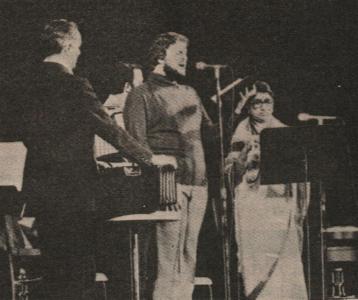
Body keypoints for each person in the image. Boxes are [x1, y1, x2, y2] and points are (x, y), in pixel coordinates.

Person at [21, 19, 175, 300]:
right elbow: (110, 129)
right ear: (67, 45)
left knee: (54, 272)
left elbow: (27, 134)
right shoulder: (73, 84)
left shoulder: (28, 83)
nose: (79, 52)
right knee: (79, 274)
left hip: (41, 192)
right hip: (74, 192)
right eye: (78, 46)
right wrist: (149, 159)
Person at [123, 32, 214, 300]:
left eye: (187, 53)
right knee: (167, 262)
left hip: (198, 185)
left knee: (188, 258)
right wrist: (164, 187)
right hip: (169, 187)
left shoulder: (190, 92)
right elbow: (138, 146)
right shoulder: (142, 94)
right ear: (161, 56)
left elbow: (210, 133)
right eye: (180, 53)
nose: (186, 59)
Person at [225, 81, 309, 299]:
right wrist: (246, 158)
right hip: (252, 202)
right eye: (256, 103)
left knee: (283, 259)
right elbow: (230, 171)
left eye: (267, 102)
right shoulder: (240, 131)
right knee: (256, 258)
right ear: (249, 107)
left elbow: (300, 174)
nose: (262, 107)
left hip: (279, 203)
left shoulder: (283, 131)